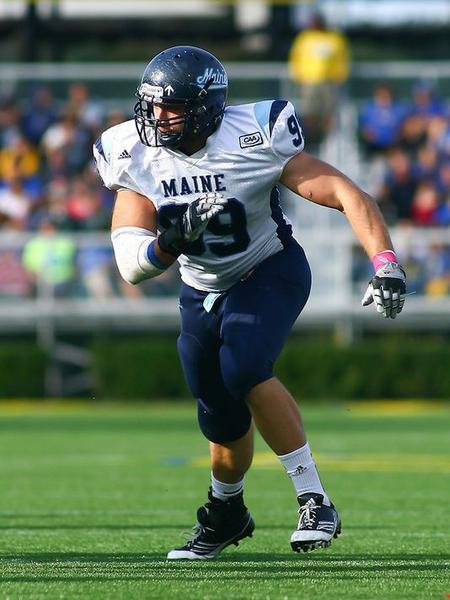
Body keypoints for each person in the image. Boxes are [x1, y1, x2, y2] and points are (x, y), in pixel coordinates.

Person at [93, 46, 407, 560]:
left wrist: (386, 261)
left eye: (172, 106)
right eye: (152, 104)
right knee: (217, 411)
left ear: (206, 108)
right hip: (200, 286)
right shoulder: (130, 151)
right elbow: (132, 265)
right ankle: (226, 513)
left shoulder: (254, 133)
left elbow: (346, 193)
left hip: (269, 267)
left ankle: (315, 500)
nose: (157, 116)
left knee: (243, 365)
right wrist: (170, 242)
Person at [288, 12, 350, 147]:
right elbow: (296, 57)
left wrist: (339, 76)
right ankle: (310, 140)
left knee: (329, 114)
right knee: (309, 113)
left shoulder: (334, 38)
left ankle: (328, 142)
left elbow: (342, 59)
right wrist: (299, 76)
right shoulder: (304, 38)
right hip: (309, 81)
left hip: (329, 81)